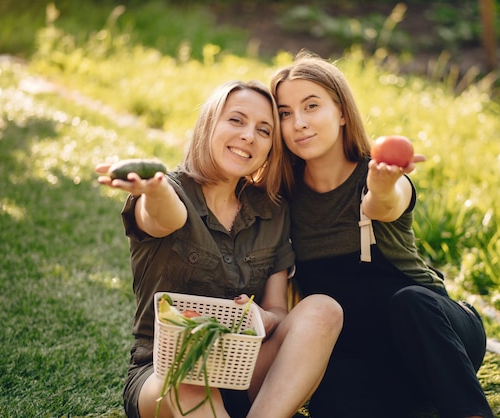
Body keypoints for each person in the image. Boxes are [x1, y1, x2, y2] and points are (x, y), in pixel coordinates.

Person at [96, 80, 343, 418]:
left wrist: (264, 318)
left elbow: (278, 310)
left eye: (264, 130)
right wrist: (153, 190)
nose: (248, 136)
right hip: (166, 376)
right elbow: (163, 216)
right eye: (236, 120)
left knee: (323, 310)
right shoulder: (170, 192)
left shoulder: (271, 210)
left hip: (245, 371)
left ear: (271, 147)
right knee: (190, 374)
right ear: (210, 123)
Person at [270, 52, 494, 418]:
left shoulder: (380, 173)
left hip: (438, 334)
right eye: (285, 113)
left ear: (342, 112)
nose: (298, 123)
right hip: (367, 358)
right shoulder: (284, 199)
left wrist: (382, 185)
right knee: (334, 397)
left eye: (312, 106)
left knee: (411, 302)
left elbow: (384, 206)